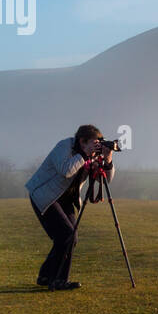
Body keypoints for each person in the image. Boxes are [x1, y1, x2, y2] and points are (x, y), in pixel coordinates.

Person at [25, 124, 116, 290]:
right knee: (66, 235)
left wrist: (107, 159)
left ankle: (45, 276)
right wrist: (84, 154)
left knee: (70, 238)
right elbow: (66, 170)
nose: (96, 147)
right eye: (94, 143)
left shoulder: (91, 154)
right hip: (45, 196)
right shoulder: (64, 146)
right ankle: (59, 280)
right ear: (82, 141)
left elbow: (106, 180)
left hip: (66, 200)